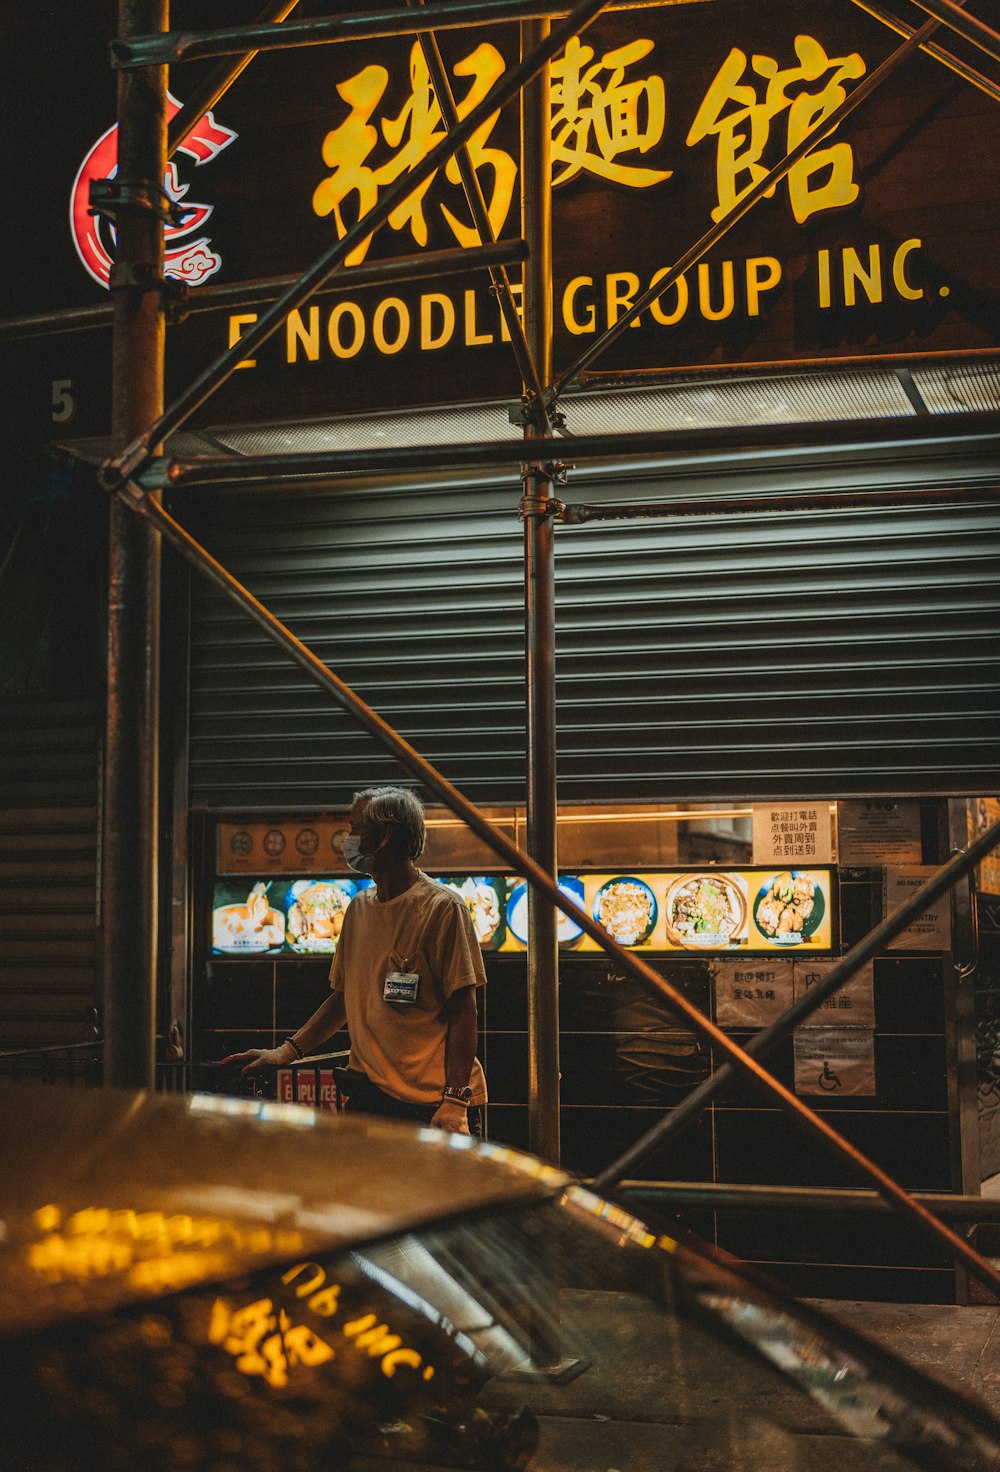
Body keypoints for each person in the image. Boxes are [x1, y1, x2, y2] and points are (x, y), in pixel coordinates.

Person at [223, 786, 487, 1135]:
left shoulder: (442, 909)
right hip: (371, 1095)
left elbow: (464, 1008)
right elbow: (343, 999)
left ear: (384, 835)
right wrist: (285, 1053)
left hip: (432, 1104)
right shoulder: (359, 909)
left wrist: (455, 1100)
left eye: (354, 828)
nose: (348, 840)